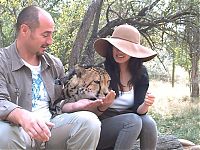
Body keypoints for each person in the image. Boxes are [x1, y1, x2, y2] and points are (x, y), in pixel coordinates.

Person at [0, 5, 116, 149]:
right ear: (24, 30)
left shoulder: (54, 64)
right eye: (45, 35)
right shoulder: (2, 60)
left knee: (89, 121)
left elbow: (58, 103)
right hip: (16, 131)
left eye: (52, 35)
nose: (50, 41)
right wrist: (21, 115)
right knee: (3, 133)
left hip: (51, 128)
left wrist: (74, 105)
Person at [93, 24, 158, 150]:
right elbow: (90, 109)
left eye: (124, 48)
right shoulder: (101, 72)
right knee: (133, 120)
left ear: (133, 51)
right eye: (115, 47)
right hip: (101, 127)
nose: (119, 51)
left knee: (148, 122)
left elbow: (139, 110)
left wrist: (146, 104)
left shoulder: (141, 73)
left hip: (131, 124)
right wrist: (103, 104)